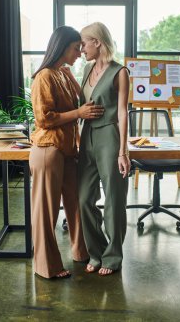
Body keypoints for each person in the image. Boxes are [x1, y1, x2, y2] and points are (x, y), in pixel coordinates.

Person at [29, 26, 104, 280]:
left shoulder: (63, 73)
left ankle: (82, 253)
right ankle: (46, 267)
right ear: (62, 47)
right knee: (46, 211)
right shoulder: (44, 76)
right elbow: (44, 118)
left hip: (68, 150)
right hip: (48, 149)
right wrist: (78, 114)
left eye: (82, 47)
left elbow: (81, 101)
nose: (80, 52)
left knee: (77, 203)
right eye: (76, 48)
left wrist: (72, 80)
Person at [78, 22, 131, 276]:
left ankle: (113, 256)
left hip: (109, 137)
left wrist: (123, 151)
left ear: (97, 42)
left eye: (84, 43)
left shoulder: (120, 72)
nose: (81, 49)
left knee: (113, 200)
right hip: (86, 136)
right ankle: (96, 251)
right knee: (84, 199)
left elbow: (122, 112)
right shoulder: (87, 69)